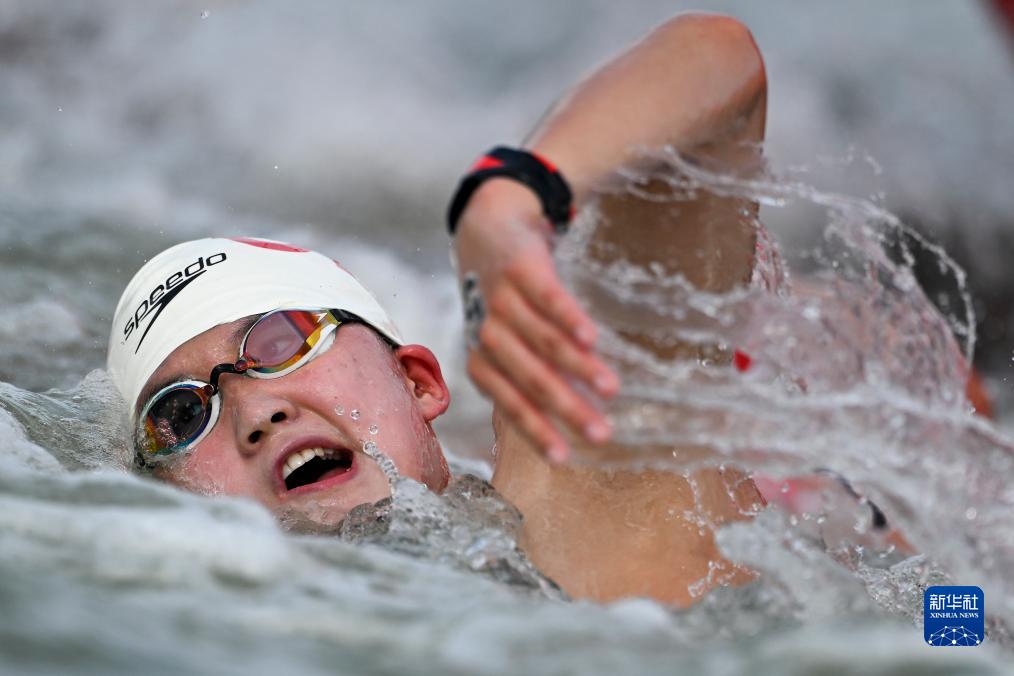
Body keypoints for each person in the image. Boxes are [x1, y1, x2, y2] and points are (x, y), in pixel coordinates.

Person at [109, 13, 772, 607]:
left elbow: (718, 58)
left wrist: (510, 197)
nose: (257, 412)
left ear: (418, 381)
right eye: (181, 414)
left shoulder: (577, 513)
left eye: (282, 340)